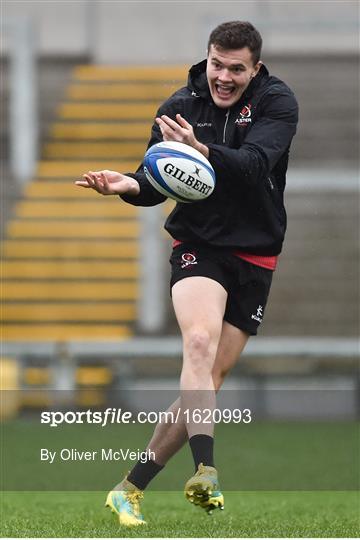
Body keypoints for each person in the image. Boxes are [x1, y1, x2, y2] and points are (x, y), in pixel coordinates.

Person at [75, 20, 298, 527]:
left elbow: (253, 164)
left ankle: (129, 489)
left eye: (236, 69)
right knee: (198, 343)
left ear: (254, 69)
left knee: (208, 379)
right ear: (208, 57)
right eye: (217, 64)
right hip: (199, 246)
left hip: (257, 255)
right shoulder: (178, 106)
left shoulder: (277, 103)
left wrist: (202, 150)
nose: (223, 76)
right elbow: (156, 182)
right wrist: (126, 185)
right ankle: (205, 471)